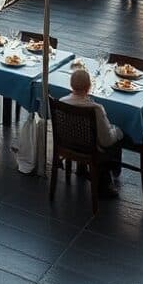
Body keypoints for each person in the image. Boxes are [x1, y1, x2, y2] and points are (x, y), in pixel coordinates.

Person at [61, 68, 123, 198]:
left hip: (68, 144)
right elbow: (106, 140)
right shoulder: (96, 109)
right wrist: (118, 131)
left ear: (71, 85)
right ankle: (104, 183)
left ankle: (82, 169)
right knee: (115, 138)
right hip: (92, 150)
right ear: (89, 87)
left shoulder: (61, 102)